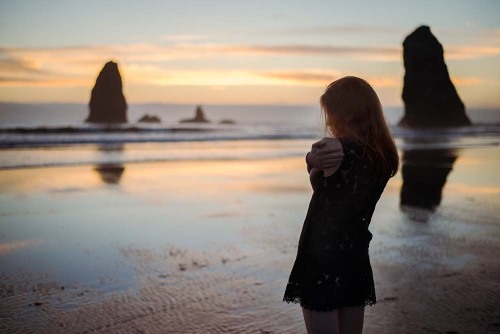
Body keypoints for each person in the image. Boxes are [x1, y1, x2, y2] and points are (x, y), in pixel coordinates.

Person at [283, 76, 399, 334]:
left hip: (321, 257)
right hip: (355, 255)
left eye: (331, 112)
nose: (328, 120)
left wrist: (310, 157)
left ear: (343, 113)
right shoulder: (382, 154)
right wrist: (311, 159)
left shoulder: (333, 148)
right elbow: (334, 194)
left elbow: (320, 182)